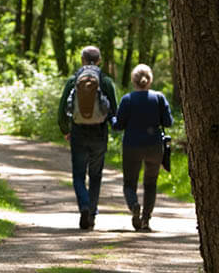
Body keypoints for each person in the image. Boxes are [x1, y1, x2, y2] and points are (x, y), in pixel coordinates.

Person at [57, 46, 118, 230]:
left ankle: (84, 206)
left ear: (82, 60)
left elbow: (62, 110)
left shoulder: (73, 80)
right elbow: (114, 110)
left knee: (78, 175)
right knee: (96, 175)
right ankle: (91, 212)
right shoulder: (106, 82)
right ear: (99, 60)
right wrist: (113, 127)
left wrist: (65, 130)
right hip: (99, 133)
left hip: (78, 132)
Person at [113, 64, 173, 231]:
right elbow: (168, 122)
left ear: (133, 81)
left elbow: (118, 125)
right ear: (149, 80)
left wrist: (112, 120)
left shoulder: (128, 99)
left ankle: (134, 206)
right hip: (154, 146)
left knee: (129, 184)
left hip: (132, 146)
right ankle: (146, 220)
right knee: (150, 184)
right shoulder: (159, 98)